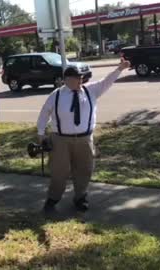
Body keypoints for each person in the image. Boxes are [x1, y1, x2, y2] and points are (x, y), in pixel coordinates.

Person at [37, 59, 131, 213]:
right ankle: (52, 199)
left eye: (81, 78)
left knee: (84, 169)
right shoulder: (56, 95)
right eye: (76, 78)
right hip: (60, 139)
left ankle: (80, 197)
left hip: (84, 139)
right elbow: (44, 114)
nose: (80, 80)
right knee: (59, 171)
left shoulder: (90, 90)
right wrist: (40, 133)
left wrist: (119, 68)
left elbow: (107, 81)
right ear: (66, 80)